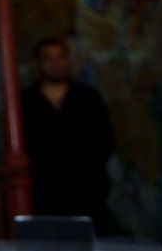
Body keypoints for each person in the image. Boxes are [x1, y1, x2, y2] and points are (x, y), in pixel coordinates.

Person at [21, 36, 116, 230]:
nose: (55, 64)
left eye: (60, 57)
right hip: (44, 192)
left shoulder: (88, 98)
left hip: (86, 190)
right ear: (38, 63)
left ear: (68, 60)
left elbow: (105, 140)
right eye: (48, 58)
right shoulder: (25, 102)